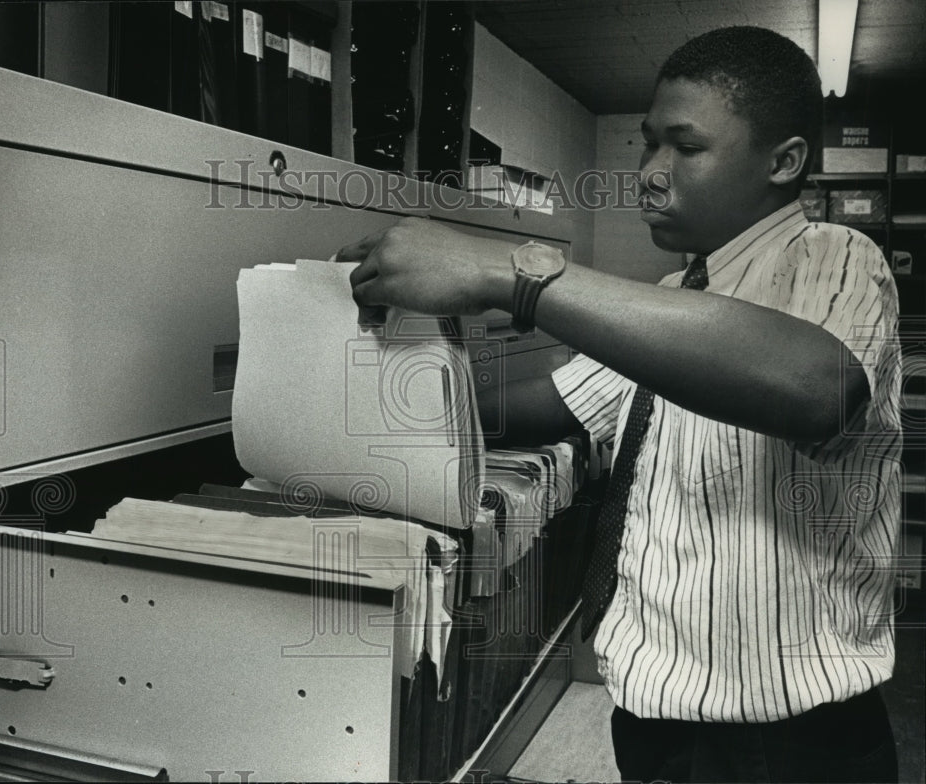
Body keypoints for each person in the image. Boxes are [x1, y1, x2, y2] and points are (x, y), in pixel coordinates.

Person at [337, 25, 902, 784]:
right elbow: (545, 403)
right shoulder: (674, 302)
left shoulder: (837, 259)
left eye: (685, 147)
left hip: (786, 743)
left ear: (785, 162)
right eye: (646, 146)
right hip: (656, 721)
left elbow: (818, 388)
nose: (650, 174)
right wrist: (369, 353)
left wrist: (509, 275)